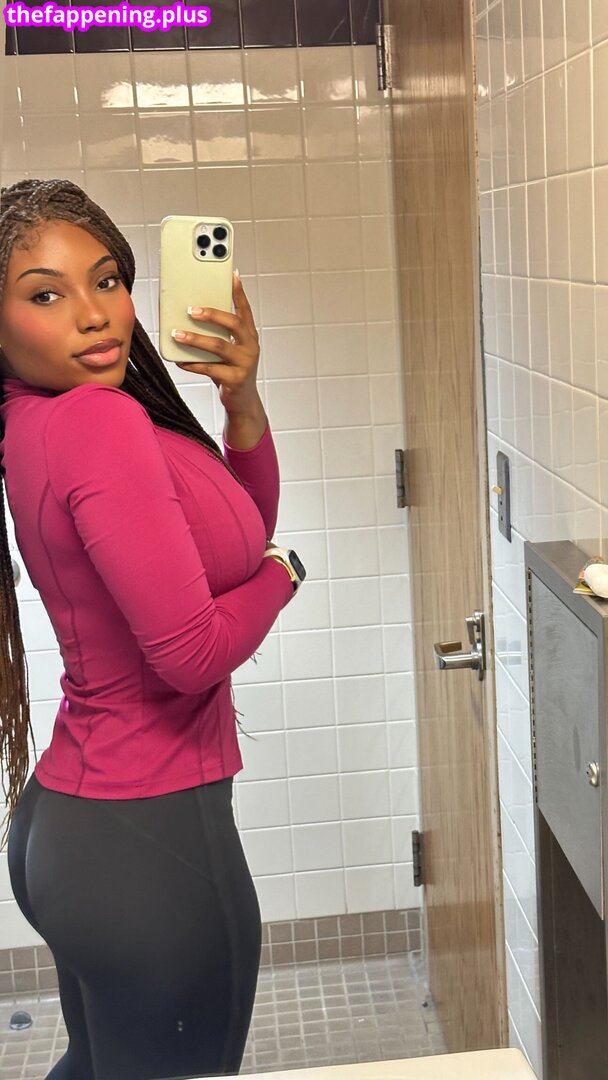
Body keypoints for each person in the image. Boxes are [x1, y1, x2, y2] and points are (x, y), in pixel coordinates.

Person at [0, 178, 305, 1080]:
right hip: (150, 845)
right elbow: (192, 653)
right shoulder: (97, 420)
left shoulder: (37, 416)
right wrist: (286, 576)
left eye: (107, 280)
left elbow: (232, 539)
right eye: (46, 294)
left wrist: (242, 405)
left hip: (74, 825)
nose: (94, 314)